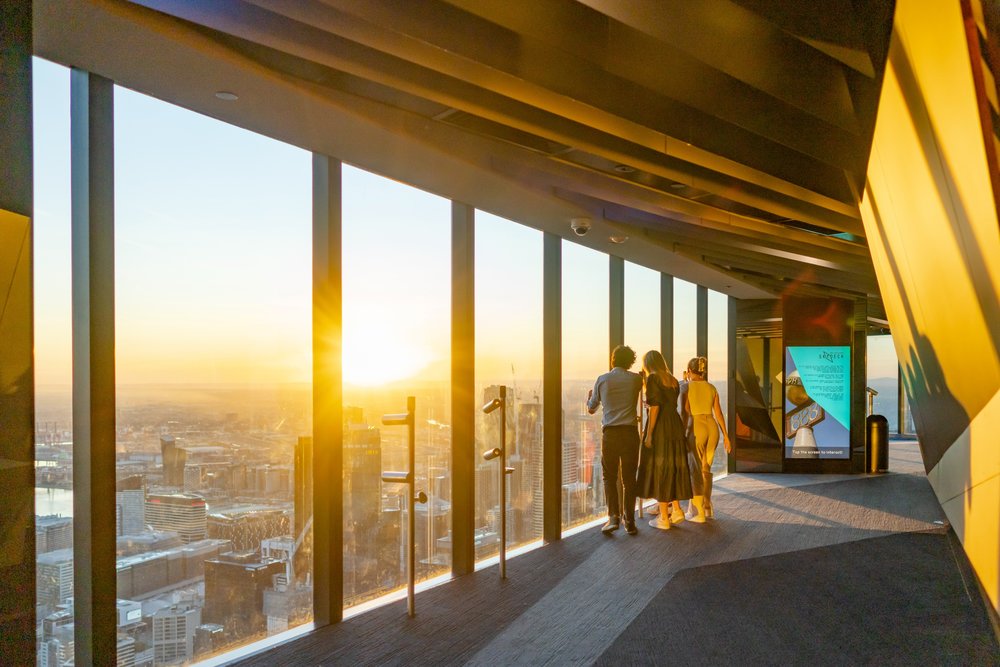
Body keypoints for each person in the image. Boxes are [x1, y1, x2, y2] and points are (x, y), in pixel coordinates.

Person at [587, 345, 643, 535]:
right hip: (630, 433)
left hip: (610, 434)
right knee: (629, 479)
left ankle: (613, 517)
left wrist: (589, 398)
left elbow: (591, 408)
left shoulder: (602, 380)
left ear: (613, 360)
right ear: (630, 361)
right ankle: (630, 521)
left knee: (609, 476)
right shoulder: (636, 379)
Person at [636, 350, 692, 530]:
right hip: (674, 424)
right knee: (672, 465)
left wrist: (649, 434)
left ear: (648, 363)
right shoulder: (673, 379)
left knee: (660, 466)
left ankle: (664, 518)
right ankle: (676, 509)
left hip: (661, 426)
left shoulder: (653, 378)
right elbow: (669, 404)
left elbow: (655, 408)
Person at [683, 356, 731, 520]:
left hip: (697, 426)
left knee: (694, 471)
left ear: (689, 371)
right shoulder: (712, 388)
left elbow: (686, 411)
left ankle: (694, 510)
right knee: (706, 470)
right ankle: (708, 506)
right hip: (712, 426)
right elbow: (718, 412)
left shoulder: (687, 387)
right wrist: (726, 435)